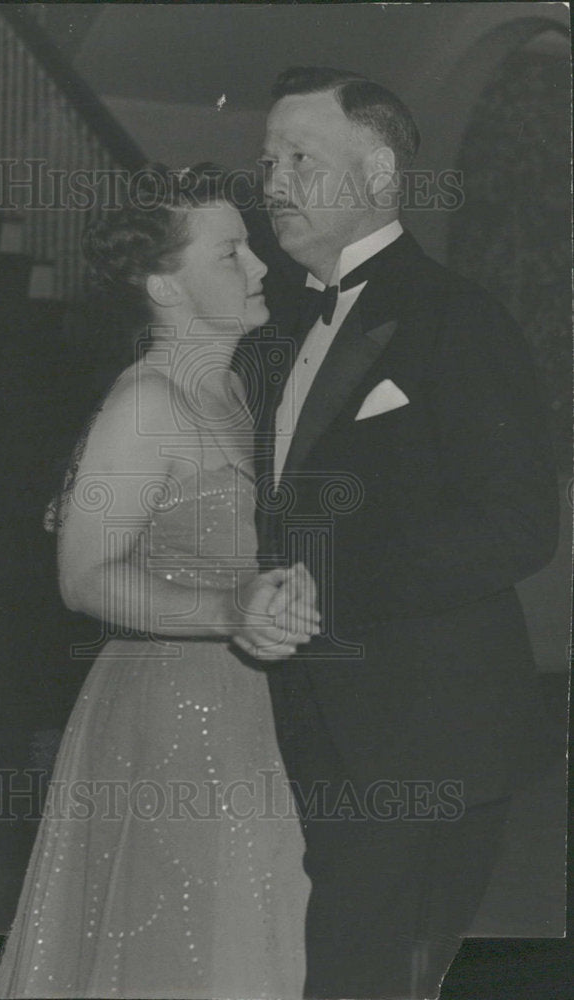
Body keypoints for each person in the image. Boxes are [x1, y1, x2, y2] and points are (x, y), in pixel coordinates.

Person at [252, 67, 560, 999]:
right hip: (316, 721)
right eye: (268, 162)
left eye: (301, 159)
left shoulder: (459, 318)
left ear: (380, 173)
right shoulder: (279, 325)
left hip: (426, 730)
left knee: (363, 975)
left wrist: (323, 589)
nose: (274, 183)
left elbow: (518, 524)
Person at [0, 164, 319, 1000]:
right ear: (165, 286)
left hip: (249, 704)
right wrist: (229, 611)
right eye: (231, 253)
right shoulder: (145, 402)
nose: (260, 266)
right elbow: (82, 577)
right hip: (172, 714)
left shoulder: (232, 388)